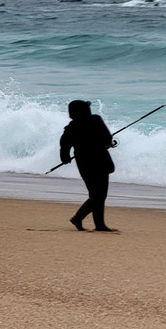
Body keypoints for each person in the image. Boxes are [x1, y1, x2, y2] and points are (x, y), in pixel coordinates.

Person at [59, 99, 117, 231]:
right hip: (100, 161)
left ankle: (99, 225)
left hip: (84, 163)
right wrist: (108, 143)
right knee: (99, 195)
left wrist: (65, 158)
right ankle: (78, 218)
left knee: (95, 194)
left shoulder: (70, 127)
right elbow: (107, 138)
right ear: (84, 111)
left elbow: (64, 145)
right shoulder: (95, 120)